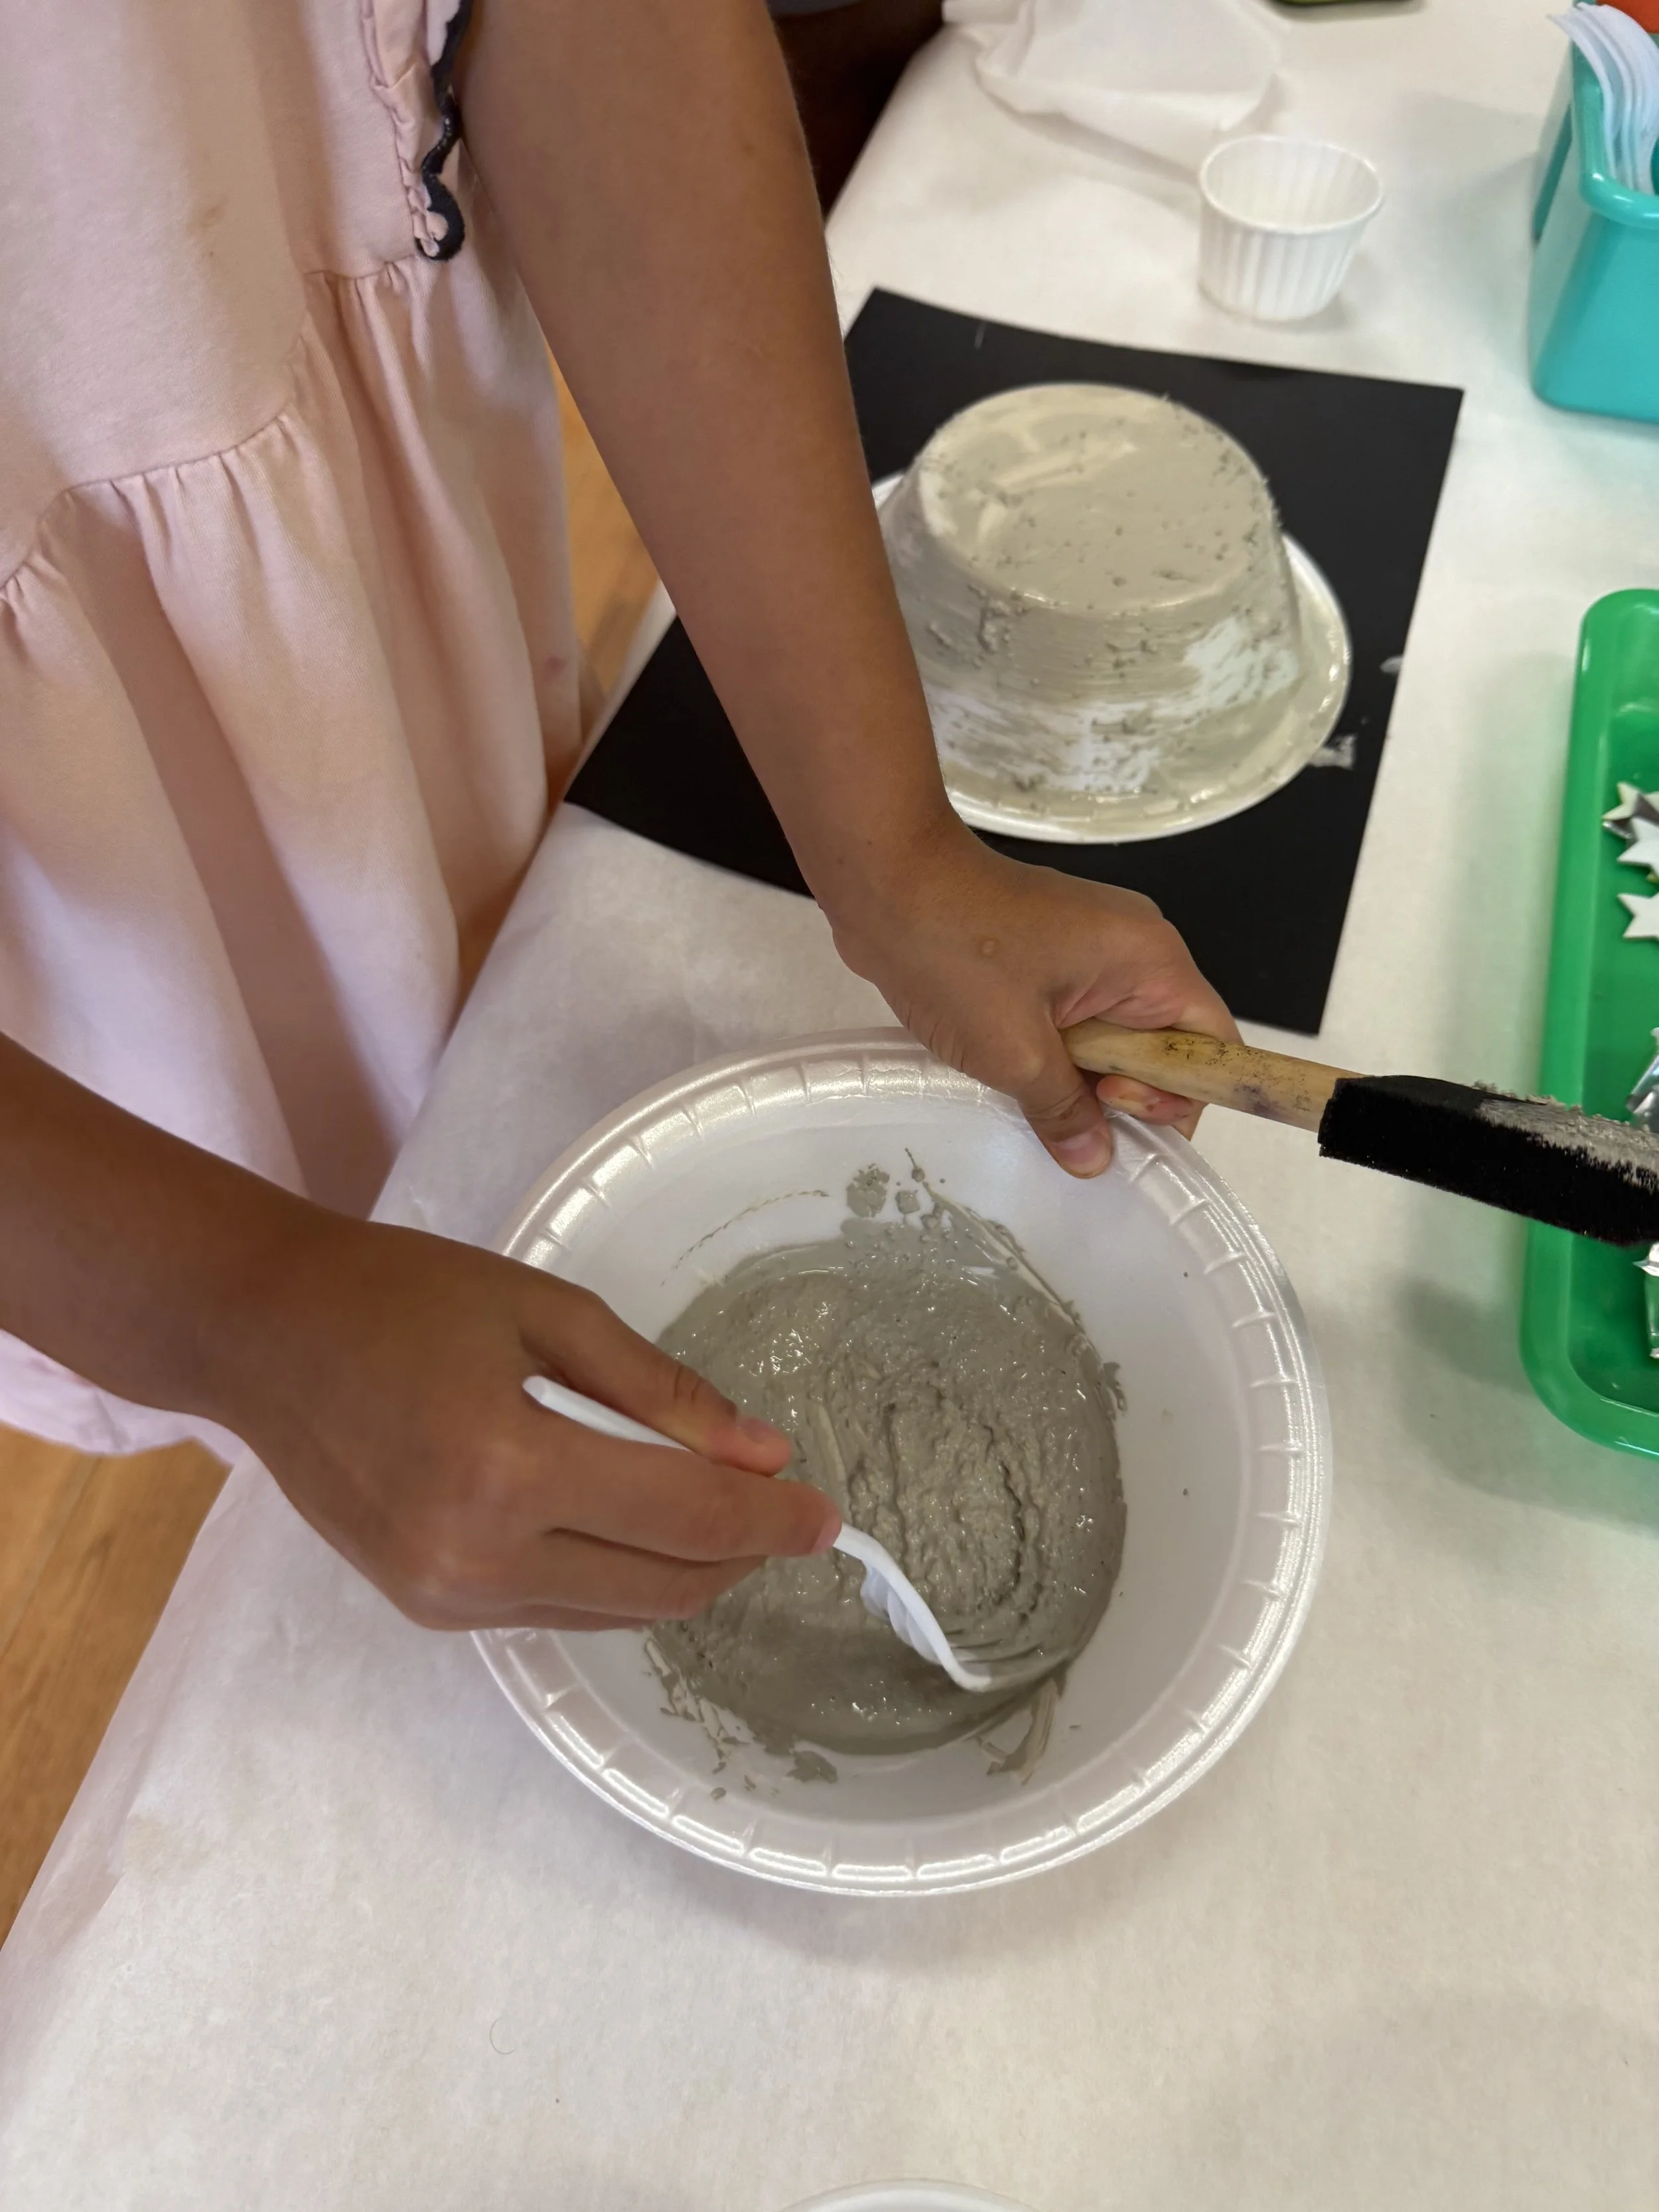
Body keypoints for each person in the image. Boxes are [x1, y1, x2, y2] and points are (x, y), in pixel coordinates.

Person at [0, 0, 1234, 1637]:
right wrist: (238, 1311)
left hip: (384, 619)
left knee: (447, 1079)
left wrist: (894, 856)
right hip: (66, 1031)